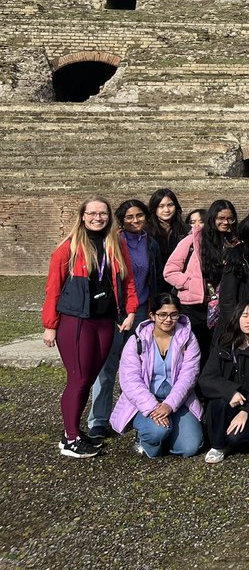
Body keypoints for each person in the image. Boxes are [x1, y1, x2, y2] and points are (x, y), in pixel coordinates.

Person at [42, 196, 137, 457]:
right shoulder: (69, 246)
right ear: (82, 216)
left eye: (103, 213)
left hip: (104, 320)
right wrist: (50, 325)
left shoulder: (115, 244)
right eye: (92, 213)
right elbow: (53, 288)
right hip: (76, 320)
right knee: (79, 377)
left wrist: (130, 310)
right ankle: (71, 438)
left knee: (89, 378)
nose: (98, 217)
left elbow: (128, 280)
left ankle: (72, 431)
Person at [87, 198, 162, 438]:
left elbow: (156, 279)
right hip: (116, 312)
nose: (135, 220)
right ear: (121, 220)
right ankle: (98, 419)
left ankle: (138, 413)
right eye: (129, 217)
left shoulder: (151, 244)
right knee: (107, 366)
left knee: (143, 367)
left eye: (139, 216)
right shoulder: (113, 243)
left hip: (142, 311)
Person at [110, 292, 203, 458]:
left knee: (190, 447)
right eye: (162, 315)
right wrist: (153, 408)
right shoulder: (136, 341)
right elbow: (130, 381)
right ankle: (147, 439)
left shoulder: (188, 339)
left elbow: (188, 377)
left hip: (178, 401)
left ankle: (168, 434)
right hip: (145, 403)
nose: (168, 320)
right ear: (152, 315)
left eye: (174, 314)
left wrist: (169, 405)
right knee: (157, 431)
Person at [197, 300, 249, 463]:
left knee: (237, 440)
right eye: (244, 315)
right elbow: (206, 378)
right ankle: (218, 446)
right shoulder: (224, 342)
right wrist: (230, 391)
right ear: (237, 318)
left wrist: (246, 411)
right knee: (217, 402)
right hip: (227, 403)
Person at [163, 199, 237, 363]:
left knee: (215, 355)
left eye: (229, 218)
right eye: (221, 218)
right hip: (194, 307)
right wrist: (193, 284)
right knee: (192, 355)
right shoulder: (193, 240)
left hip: (222, 309)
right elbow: (169, 271)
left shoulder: (234, 244)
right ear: (212, 218)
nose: (225, 222)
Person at [147, 188, 187, 274]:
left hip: (179, 279)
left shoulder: (186, 231)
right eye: (161, 206)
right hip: (154, 280)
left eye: (170, 205)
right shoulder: (145, 232)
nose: (166, 210)